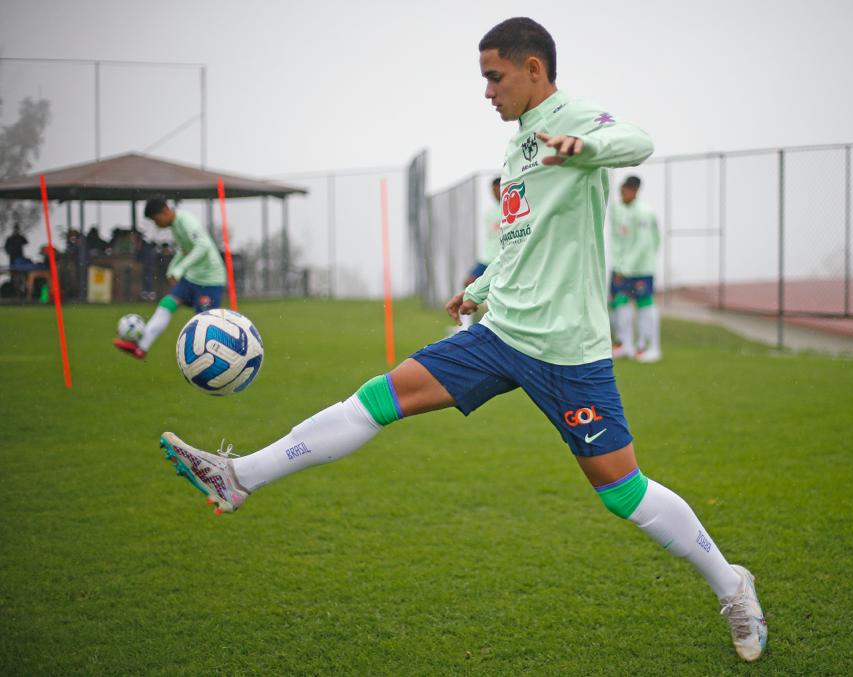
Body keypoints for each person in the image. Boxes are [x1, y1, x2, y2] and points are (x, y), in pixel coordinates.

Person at [159, 17, 766, 662]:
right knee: (378, 398)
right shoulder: (516, 148)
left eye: (494, 77)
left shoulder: (577, 118)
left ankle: (733, 586)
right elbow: (518, 236)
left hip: (566, 350)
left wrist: (583, 149)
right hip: (499, 333)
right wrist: (482, 286)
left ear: (534, 69)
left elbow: (638, 140)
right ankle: (239, 476)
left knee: (621, 490)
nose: (487, 92)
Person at [113, 197, 226, 359]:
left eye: (156, 219)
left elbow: (203, 246)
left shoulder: (186, 221)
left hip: (210, 280)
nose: (156, 223)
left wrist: (180, 269)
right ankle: (141, 348)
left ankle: (214, 360)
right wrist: (173, 268)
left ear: (165, 212)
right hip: (193, 278)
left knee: (205, 324)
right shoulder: (174, 226)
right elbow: (185, 249)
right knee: (167, 303)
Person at [608, 175, 662, 362]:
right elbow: (616, 240)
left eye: (627, 190)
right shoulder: (617, 209)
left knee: (644, 305)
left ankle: (652, 348)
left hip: (640, 269)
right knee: (618, 303)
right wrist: (617, 265)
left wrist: (628, 267)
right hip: (621, 268)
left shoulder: (644, 212)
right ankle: (625, 344)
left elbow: (645, 244)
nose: (623, 193)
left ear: (636, 191)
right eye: (622, 190)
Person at [456, 176, 503, 331]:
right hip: (487, 258)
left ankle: (498, 324)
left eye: (499, 189)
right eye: (493, 191)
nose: (496, 194)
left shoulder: (512, 208)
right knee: (468, 282)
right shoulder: (490, 212)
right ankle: (464, 325)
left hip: (502, 259)